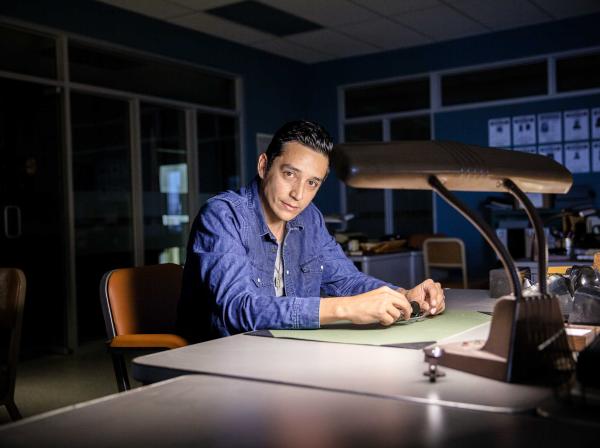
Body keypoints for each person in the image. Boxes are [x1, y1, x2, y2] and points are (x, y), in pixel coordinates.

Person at [177, 120, 445, 342]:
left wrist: (402, 295)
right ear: (263, 166)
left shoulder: (309, 218)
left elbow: (346, 281)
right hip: (221, 364)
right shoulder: (222, 216)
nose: (298, 194)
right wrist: (343, 308)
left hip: (284, 355)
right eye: (289, 174)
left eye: (312, 183)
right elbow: (237, 310)